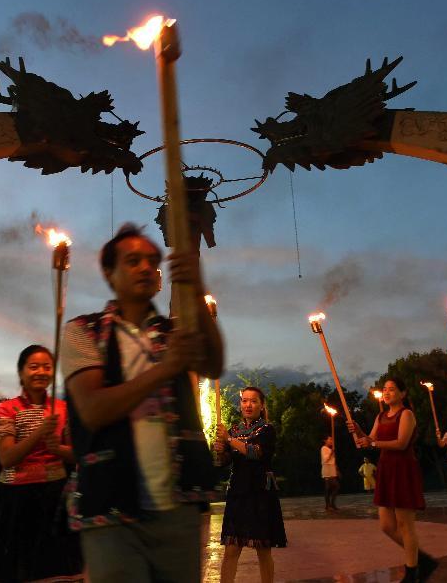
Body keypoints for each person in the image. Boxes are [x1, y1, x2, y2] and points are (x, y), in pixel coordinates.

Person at [60, 223, 224, 582]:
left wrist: (197, 289)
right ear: (109, 272)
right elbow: (93, 410)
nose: (147, 268)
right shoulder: (82, 332)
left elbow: (213, 363)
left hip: (177, 504)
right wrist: (165, 370)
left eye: (153, 261)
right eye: (133, 261)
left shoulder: (173, 333)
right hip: (110, 506)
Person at [0, 345, 82, 582]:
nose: (41, 371)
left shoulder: (63, 409)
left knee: (56, 571)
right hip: (15, 499)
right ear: (21, 373)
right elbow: (7, 458)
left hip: (54, 498)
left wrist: (57, 448)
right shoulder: (6, 409)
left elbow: (78, 454)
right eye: (33, 366)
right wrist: (41, 432)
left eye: (47, 367)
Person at [350, 379, 438, 583]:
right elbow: (369, 439)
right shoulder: (380, 416)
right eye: (385, 390)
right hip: (386, 469)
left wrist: (372, 442)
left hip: (403, 468)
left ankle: (412, 572)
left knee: (405, 525)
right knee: (386, 526)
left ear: (403, 393)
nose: (387, 393)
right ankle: (421, 560)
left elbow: (401, 443)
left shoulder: (406, 414)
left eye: (392, 389)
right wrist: (358, 431)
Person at [214, 387, 286, 583]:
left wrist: (229, 440)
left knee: (263, 550)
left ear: (261, 406)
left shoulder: (267, 430)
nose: (248, 405)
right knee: (231, 549)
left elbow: (255, 452)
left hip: (260, 493)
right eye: (244, 401)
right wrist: (220, 450)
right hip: (238, 492)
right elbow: (223, 462)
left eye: (253, 401)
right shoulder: (234, 430)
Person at [320, 436, 340, 510]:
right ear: (325, 440)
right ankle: (329, 504)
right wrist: (331, 452)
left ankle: (330, 504)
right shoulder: (323, 448)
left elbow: (333, 461)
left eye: (332, 439)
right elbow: (325, 459)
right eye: (330, 439)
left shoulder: (330, 449)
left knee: (333, 487)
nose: (331, 441)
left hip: (332, 469)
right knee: (330, 487)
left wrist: (337, 469)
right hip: (327, 469)